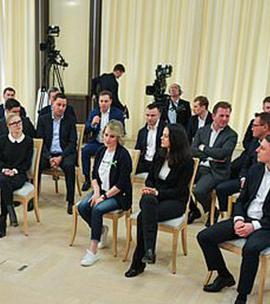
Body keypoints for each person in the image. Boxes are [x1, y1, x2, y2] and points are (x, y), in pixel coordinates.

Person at [197, 133, 270, 304]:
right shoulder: (255, 169)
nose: (257, 150)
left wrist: (254, 226)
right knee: (204, 236)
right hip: (244, 218)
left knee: (251, 249)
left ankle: (242, 297)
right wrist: (238, 219)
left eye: (262, 148)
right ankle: (224, 275)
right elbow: (241, 199)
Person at [125, 124, 194, 277]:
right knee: (148, 202)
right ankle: (149, 250)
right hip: (153, 198)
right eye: (162, 135)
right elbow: (150, 179)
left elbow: (179, 191)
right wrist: (150, 190)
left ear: (175, 139)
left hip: (174, 201)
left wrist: (157, 192)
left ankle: (140, 261)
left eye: (165, 136)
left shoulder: (186, 161)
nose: (161, 138)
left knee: (143, 217)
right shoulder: (160, 153)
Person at [77, 120, 132, 267]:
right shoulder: (101, 151)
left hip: (119, 195)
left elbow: (121, 184)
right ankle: (100, 229)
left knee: (97, 209)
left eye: (112, 136)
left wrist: (103, 197)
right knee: (82, 207)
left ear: (118, 138)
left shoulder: (123, 155)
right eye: (106, 135)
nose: (107, 139)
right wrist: (96, 193)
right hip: (101, 190)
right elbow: (94, 175)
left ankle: (93, 251)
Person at [214, 112, 270, 214]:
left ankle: (238, 214)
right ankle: (231, 214)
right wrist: (243, 177)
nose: (252, 129)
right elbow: (246, 161)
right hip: (247, 178)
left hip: (261, 183)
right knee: (221, 188)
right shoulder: (255, 141)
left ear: (265, 127)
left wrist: (248, 180)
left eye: (255, 126)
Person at [189, 101, 238, 224]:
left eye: (227, 116)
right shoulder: (202, 131)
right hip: (200, 167)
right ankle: (194, 210)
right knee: (180, 183)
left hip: (217, 171)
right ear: (213, 116)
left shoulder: (231, 135)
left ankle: (213, 211)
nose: (225, 119)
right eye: (221, 115)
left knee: (199, 191)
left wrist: (204, 148)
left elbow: (223, 154)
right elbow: (193, 150)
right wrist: (211, 154)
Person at [0, 112, 34, 238]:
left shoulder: (28, 141)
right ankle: (10, 210)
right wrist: (5, 170)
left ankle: (3, 219)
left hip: (18, 175)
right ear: (8, 126)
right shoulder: (2, 140)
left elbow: (27, 163)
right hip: (2, 174)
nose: (18, 125)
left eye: (19, 122)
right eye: (14, 123)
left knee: (5, 184)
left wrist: (14, 171)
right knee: (3, 180)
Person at [36, 92, 78, 214]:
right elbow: (40, 141)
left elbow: (72, 143)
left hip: (64, 153)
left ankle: (70, 201)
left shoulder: (70, 120)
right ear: (52, 103)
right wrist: (49, 157)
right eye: (59, 105)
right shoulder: (43, 119)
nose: (61, 108)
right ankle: (33, 198)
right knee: (37, 165)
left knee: (69, 166)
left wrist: (60, 157)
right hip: (48, 153)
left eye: (64, 105)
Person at [232, 96, 270, 178]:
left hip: (267, 155)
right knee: (233, 167)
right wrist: (253, 150)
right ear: (263, 108)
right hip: (250, 153)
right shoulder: (254, 122)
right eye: (268, 107)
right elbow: (246, 141)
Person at [81, 91, 125, 191]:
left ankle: (110, 179)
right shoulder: (94, 112)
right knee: (85, 151)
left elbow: (122, 130)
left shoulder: (117, 113)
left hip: (112, 144)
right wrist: (92, 124)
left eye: (106, 101)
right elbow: (86, 130)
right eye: (101, 101)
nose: (103, 104)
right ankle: (87, 179)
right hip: (97, 142)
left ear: (110, 101)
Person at [134, 103, 164, 175]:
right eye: (147, 115)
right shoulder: (142, 131)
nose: (149, 118)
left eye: (153, 115)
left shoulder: (164, 129)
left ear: (159, 115)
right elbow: (137, 149)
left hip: (158, 163)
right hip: (144, 162)